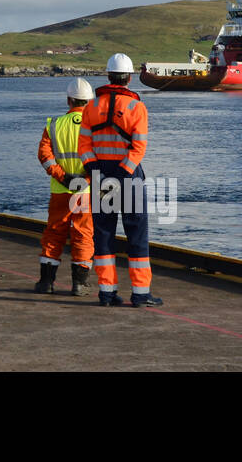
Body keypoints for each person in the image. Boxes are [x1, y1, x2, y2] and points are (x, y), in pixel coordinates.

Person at [77, 53, 164, 307]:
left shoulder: (91, 107)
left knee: (103, 235)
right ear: (129, 77)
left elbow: (84, 145)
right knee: (136, 235)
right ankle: (140, 294)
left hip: (100, 177)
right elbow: (138, 148)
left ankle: (106, 292)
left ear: (107, 76)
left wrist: (98, 173)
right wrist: (122, 174)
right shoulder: (137, 107)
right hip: (128, 178)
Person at [35, 77, 95, 295]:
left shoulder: (53, 125)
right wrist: (84, 180)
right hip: (85, 193)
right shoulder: (95, 128)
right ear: (90, 101)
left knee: (54, 233)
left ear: (69, 100)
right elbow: (99, 160)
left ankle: (46, 282)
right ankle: (79, 284)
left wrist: (62, 177)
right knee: (83, 235)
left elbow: (45, 156)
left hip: (60, 191)